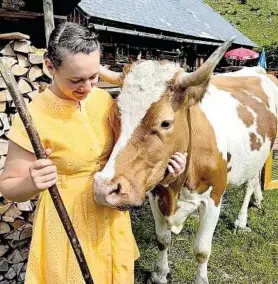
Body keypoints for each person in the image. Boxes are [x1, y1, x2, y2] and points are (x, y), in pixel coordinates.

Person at [0, 22, 186, 284]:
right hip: (68, 224)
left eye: (94, 77)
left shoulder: (105, 102)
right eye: (76, 80)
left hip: (111, 218)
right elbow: (8, 186)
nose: (87, 87)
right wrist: (31, 183)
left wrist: (164, 174)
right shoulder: (34, 116)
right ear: (49, 66)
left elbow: (128, 159)